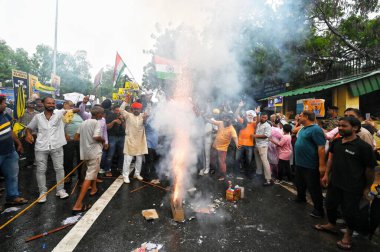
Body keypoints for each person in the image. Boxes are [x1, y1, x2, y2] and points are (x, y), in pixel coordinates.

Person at [315, 117, 377, 250]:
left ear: (355, 128)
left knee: (350, 212)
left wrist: (366, 188)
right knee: (330, 205)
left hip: (353, 186)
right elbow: (331, 159)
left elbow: (370, 170)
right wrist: (326, 174)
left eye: (344, 126)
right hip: (335, 182)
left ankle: (348, 236)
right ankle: (331, 224)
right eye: (339, 126)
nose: (340, 128)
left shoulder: (363, 147)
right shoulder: (336, 142)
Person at [25, 97, 69, 203]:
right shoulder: (37, 117)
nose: (51, 105)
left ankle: (60, 190)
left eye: (53, 103)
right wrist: (28, 134)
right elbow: (29, 128)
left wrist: (70, 109)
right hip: (41, 147)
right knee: (40, 170)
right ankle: (42, 192)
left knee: (59, 168)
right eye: (49, 103)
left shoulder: (59, 114)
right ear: (43, 103)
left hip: (57, 146)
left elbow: (73, 110)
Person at [72, 106, 105, 214]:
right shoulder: (96, 123)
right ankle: (78, 205)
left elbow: (76, 137)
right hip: (94, 152)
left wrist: (86, 141)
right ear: (99, 114)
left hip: (85, 152)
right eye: (102, 113)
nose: (103, 115)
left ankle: (94, 189)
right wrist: (103, 140)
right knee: (89, 176)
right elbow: (96, 137)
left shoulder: (83, 122)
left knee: (92, 171)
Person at [294, 111, 326, 218]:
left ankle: (319, 210)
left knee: (313, 187)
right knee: (299, 183)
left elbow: (321, 148)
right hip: (300, 163)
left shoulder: (316, 129)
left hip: (310, 164)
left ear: (307, 117)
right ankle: (301, 197)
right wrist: (298, 123)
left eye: (301, 115)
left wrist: (322, 165)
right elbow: (294, 130)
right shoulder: (303, 128)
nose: (299, 117)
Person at [0, 95, 28, 208]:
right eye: (3, 103)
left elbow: (10, 129)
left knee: (12, 176)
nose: (5, 105)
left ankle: (12, 197)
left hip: (10, 151)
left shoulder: (4, 114)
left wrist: (18, 143)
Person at [120, 100, 149, 184]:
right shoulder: (128, 115)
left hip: (140, 140)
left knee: (139, 159)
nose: (136, 110)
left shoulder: (143, 115)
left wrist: (146, 118)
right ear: (132, 109)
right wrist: (125, 101)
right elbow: (121, 110)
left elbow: (150, 112)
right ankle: (125, 175)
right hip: (130, 140)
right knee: (127, 159)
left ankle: (137, 174)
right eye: (135, 109)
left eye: (138, 109)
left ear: (141, 109)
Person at [210, 112, 240, 181]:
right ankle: (217, 170)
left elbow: (235, 138)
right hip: (215, 146)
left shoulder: (232, 129)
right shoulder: (221, 123)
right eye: (225, 118)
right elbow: (213, 121)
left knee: (222, 162)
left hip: (222, 149)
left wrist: (237, 145)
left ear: (231, 120)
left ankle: (223, 175)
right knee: (212, 160)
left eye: (228, 119)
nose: (226, 120)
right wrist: (208, 117)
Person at [234, 101, 256, 179]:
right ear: (246, 115)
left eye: (251, 115)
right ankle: (236, 173)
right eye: (248, 114)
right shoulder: (243, 121)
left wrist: (257, 113)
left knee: (248, 161)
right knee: (237, 159)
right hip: (240, 144)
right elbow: (236, 115)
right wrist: (239, 106)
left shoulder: (254, 123)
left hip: (249, 145)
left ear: (253, 116)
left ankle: (248, 174)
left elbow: (259, 120)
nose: (249, 116)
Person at [63, 100, 83, 183]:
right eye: (69, 105)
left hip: (80, 140)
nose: (71, 107)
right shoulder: (63, 114)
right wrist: (65, 134)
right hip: (69, 140)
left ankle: (80, 176)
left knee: (80, 158)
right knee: (68, 159)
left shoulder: (78, 116)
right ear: (65, 105)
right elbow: (60, 126)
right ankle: (68, 176)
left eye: (72, 105)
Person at [103, 105, 125, 177]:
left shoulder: (123, 117)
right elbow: (106, 127)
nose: (118, 112)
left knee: (122, 153)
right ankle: (107, 169)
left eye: (119, 111)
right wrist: (114, 121)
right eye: (116, 110)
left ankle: (120, 168)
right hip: (112, 137)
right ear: (113, 110)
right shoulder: (110, 116)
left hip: (121, 137)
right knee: (110, 154)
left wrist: (122, 120)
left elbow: (125, 128)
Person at [253, 112, 272, 186]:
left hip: (263, 146)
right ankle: (259, 174)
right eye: (263, 117)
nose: (264, 118)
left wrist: (255, 136)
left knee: (265, 162)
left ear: (267, 118)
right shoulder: (258, 124)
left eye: (265, 117)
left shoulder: (267, 125)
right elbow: (257, 121)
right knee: (258, 161)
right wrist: (257, 114)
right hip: (257, 145)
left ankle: (268, 179)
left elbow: (266, 136)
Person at [18, 100, 39, 168]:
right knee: (26, 149)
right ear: (27, 104)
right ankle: (28, 162)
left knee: (34, 148)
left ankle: (33, 162)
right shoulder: (22, 112)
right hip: (24, 133)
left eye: (33, 103)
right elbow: (18, 123)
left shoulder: (37, 114)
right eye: (30, 103)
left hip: (34, 133)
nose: (32, 104)